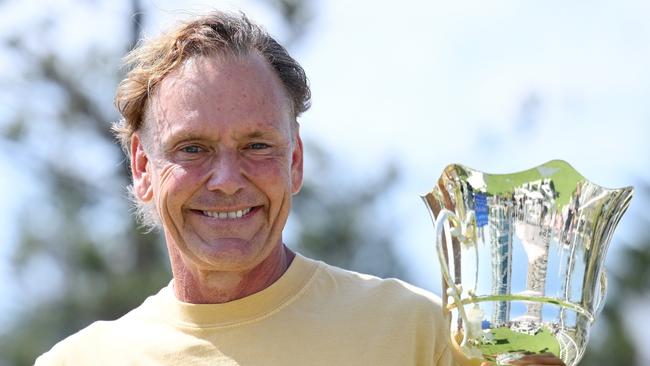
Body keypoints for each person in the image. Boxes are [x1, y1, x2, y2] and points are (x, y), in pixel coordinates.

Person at [35, 11, 564, 366]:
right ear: (143, 168)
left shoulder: (415, 333)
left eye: (256, 146)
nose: (226, 181)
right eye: (192, 148)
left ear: (295, 160)